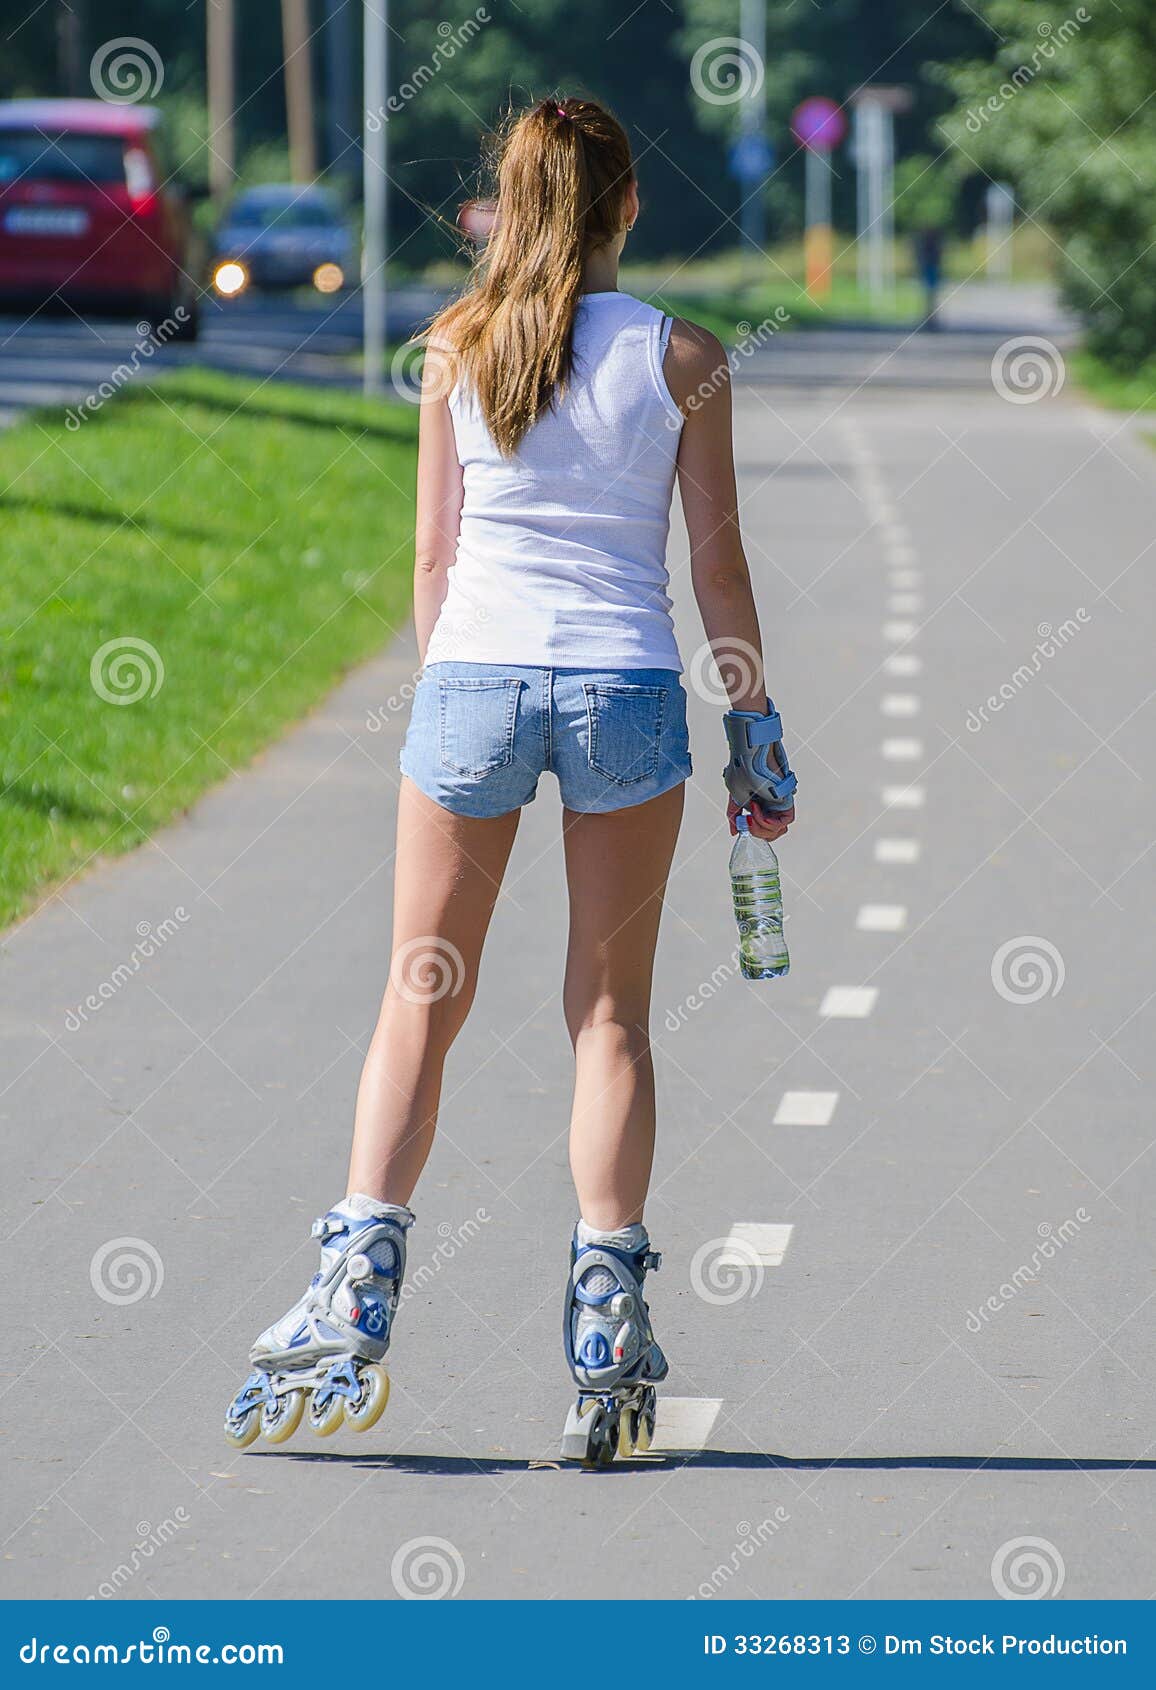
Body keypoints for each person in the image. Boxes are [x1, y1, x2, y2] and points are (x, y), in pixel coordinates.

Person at [224, 95, 797, 1465]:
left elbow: (434, 563)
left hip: (474, 686)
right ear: (629, 208)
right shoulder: (683, 357)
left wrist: (457, 699)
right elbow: (716, 570)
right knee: (608, 1016)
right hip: (626, 692)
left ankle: (354, 1289)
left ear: (511, 203)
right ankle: (606, 1317)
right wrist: (757, 725)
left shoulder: (453, 349)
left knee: (420, 996)